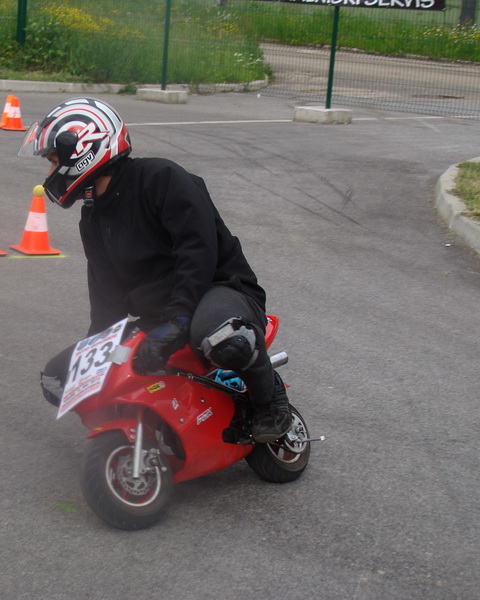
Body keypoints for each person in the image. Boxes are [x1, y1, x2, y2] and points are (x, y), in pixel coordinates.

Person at [18, 97, 291, 442]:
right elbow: (106, 295)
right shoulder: (93, 217)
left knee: (225, 339)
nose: (49, 174)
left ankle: (270, 401)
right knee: (58, 379)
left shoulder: (162, 179)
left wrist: (177, 320)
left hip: (218, 292)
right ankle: (156, 423)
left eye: (54, 162)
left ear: (83, 150)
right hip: (160, 316)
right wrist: (97, 350)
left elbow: (197, 253)